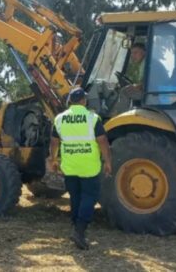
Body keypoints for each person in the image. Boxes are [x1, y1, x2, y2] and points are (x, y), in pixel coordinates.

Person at [48, 87, 112, 250]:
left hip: (70, 166)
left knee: (75, 196)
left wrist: (53, 159)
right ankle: (80, 231)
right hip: (89, 166)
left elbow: (54, 142)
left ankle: (75, 226)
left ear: (70, 101)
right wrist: (107, 161)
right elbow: (102, 140)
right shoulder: (92, 118)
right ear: (84, 101)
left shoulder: (60, 119)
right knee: (89, 197)